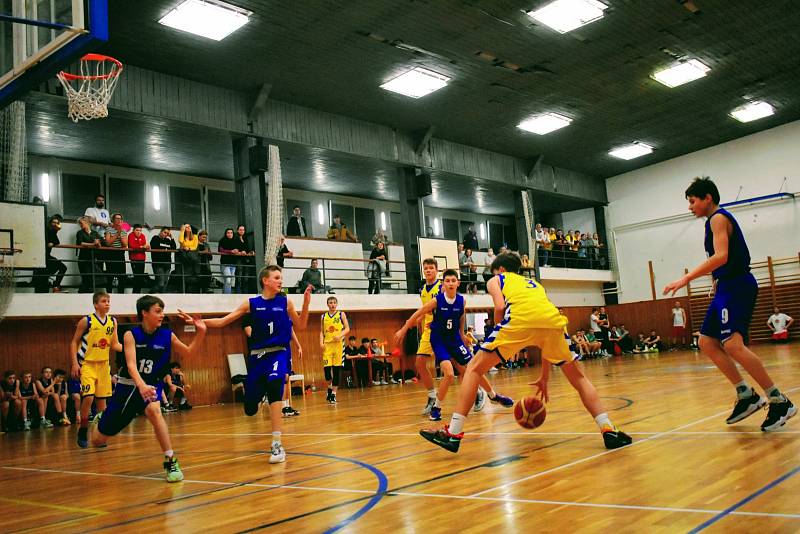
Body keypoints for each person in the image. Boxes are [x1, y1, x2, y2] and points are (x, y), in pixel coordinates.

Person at [420, 252, 632, 453]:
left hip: (519, 321)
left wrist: (497, 334)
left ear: (500, 269)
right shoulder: (535, 285)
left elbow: (500, 306)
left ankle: (453, 434)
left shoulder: (497, 279)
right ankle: (608, 429)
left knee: (473, 369)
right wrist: (545, 376)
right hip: (552, 322)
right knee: (579, 378)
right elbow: (542, 331)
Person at [663, 177, 795, 431]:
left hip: (737, 285)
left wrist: (686, 278)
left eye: (692, 201)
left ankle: (778, 400)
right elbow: (724, 258)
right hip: (726, 286)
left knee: (733, 345)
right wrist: (716, 280)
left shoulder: (718, 218)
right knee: (706, 341)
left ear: (707, 198)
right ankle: (746, 394)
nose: (690, 207)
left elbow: (721, 256)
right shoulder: (712, 222)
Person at [91, 296, 206, 483]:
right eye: (157, 311)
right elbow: (131, 365)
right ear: (144, 313)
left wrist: (201, 332)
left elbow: (189, 352)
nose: (162, 315)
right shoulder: (130, 335)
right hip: (129, 386)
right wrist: (140, 385)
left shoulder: (167, 335)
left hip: (152, 383)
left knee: (154, 411)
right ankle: (102, 418)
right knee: (99, 439)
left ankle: (171, 461)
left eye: (162, 311)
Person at [204, 266, 312, 464]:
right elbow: (222, 321)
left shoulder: (286, 301)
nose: (281, 281)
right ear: (265, 280)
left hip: (278, 353)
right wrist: (199, 322)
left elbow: (302, 325)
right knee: (250, 409)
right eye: (277, 278)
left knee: (275, 383)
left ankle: (277, 444)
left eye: (281, 278)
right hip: (257, 357)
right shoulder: (251, 303)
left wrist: (306, 303)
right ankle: (256, 395)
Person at [394, 269, 512, 422]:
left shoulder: (461, 300)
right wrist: (403, 330)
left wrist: (462, 334)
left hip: (454, 338)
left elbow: (461, 316)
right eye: (447, 281)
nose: (450, 283)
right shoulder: (437, 300)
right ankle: (436, 407)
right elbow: (418, 313)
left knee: (474, 367)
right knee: (449, 374)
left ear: (458, 283)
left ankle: (493, 396)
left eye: (453, 281)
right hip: (439, 339)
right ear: (443, 284)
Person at [69, 290, 122, 448]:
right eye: (104, 301)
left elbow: (114, 344)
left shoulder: (113, 322)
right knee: (89, 397)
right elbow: (73, 342)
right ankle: (83, 429)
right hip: (87, 364)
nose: (107, 304)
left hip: (103, 365)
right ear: (95, 304)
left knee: (102, 405)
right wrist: (74, 363)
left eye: (108, 301)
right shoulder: (87, 321)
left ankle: (99, 436)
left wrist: (131, 348)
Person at [415, 258, 442, 415]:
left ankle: (478, 391)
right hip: (428, 330)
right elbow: (426, 309)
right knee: (419, 363)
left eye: (431, 267)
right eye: (425, 268)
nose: (428, 270)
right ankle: (432, 396)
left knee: (457, 365)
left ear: (436, 270)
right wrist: (420, 317)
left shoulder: (442, 287)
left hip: (442, 329)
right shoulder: (422, 290)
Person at [320, 296, 350, 404]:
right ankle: (329, 387)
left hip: (338, 345)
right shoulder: (323, 316)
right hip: (327, 346)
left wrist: (340, 335)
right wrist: (321, 342)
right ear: (327, 304)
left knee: (337, 370)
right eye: (330, 303)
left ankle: (333, 394)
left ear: (336, 304)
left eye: (334, 303)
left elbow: (347, 328)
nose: (332, 304)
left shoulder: (341, 314)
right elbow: (321, 332)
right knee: (327, 371)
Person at [34, 215, 68, 293]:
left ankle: (55, 284)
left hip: (46, 256)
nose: (55, 224)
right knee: (62, 267)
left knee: (61, 267)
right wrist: (56, 231)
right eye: (53, 222)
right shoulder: (47, 229)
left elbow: (56, 241)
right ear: (50, 222)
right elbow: (55, 240)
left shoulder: (52, 230)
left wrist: (56, 232)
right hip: (43, 256)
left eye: (56, 223)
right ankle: (55, 284)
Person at [75, 217, 103, 293]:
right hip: (83, 258)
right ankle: (82, 293)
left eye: (82, 223)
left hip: (92, 257)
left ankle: (89, 293)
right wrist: (93, 244)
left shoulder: (95, 233)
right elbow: (80, 243)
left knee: (93, 277)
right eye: (79, 223)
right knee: (86, 277)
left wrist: (97, 243)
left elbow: (100, 242)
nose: (80, 225)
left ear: (88, 223)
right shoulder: (80, 232)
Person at [103, 213, 128, 293]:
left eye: (120, 219)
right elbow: (108, 243)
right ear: (113, 220)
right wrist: (117, 234)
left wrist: (120, 233)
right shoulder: (108, 229)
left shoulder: (123, 230)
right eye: (117, 218)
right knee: (110, 277)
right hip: (110, 254)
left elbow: (125, 244)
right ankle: (109, 295)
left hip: (120, 254)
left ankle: (121, 295)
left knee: (121, 277)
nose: (119, 220)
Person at [150, 227, 176, 293]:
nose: (166, 234)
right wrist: (165, 249)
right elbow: (154, 246)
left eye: (167, 233)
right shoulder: (155, 238)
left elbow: (174, 248)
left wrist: (172, 238)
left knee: (165, 282)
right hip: (158, 263)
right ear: (161, 231)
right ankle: (151, 292)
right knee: (160, 283)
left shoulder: (168, 240)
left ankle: (162, 296)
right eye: (164, 232)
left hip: (167, 264)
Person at [177, 223, 199, 293]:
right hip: (185, 256)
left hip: (192, 254)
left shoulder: (195, 236)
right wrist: (182, 231)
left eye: (189, 226)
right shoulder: (182, 236)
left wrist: (188, 248)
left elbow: (195, 247)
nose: (188, 228)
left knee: (191, 275)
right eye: (186, 227)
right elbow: (180, 241)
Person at [128, 224, 150, 293]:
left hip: (142, 259)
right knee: (136, 278)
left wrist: (144, 247)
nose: (139, 232)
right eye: (137, 230)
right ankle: (134, 294)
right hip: (134, 259)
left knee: (140, 278)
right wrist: (141, 247)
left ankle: (138, 293)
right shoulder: (131, 235)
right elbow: (132, 245)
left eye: (140, 230)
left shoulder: (142, 236)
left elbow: (145, 246)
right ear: (133, 230)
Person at [234, 225, 256, 293]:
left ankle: (245, 292)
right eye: (240, 230)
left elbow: (247, 248)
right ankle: (238, 292)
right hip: (239, 259)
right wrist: (240, 251)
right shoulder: (235, 238)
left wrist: (250, 251)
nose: (242, 231)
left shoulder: (245, 238)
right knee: (239, 276)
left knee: (246, 277)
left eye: (243, 230)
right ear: (237, 230)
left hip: (246, 259)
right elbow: (234, 247)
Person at [218, 228, 238, 294]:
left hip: (233, 263)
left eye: (231, 233)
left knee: (231, 281)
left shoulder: (235, 241)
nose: (230, 234)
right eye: (228, 233)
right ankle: (227, 296)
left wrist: (237, 251)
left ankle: (226, 294)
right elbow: (220, 250)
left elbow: (238, 249)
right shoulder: (222, 240)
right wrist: (230, 251)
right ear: (226, 234)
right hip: (225, 263)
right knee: (228, 280)